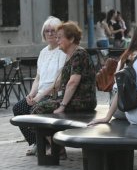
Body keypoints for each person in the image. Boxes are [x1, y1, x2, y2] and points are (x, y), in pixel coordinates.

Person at [32, 21, 98, 159]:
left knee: (38, 110)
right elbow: (60, 81)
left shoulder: (79, 54)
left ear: (72, 39)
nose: (57, 40)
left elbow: (73, 82)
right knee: (38, 107)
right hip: (73, 99)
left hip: (81, 100)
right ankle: (56, 146)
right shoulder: (71, 55)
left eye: (60, 37)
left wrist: (62, 105)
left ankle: (57, 148)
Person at [12, 16, 67, 156]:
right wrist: (32, 94)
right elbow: (38, 78)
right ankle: (36, 142)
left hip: (54, 94)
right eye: (47, 31)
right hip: (40, 93)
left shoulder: (62, 52)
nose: (49, 33)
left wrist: (40, 96)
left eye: (53, 30)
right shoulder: (43, 52)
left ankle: (54, 145)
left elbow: (58, 82)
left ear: (59, 32)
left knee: (35, 109)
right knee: (19, 108)